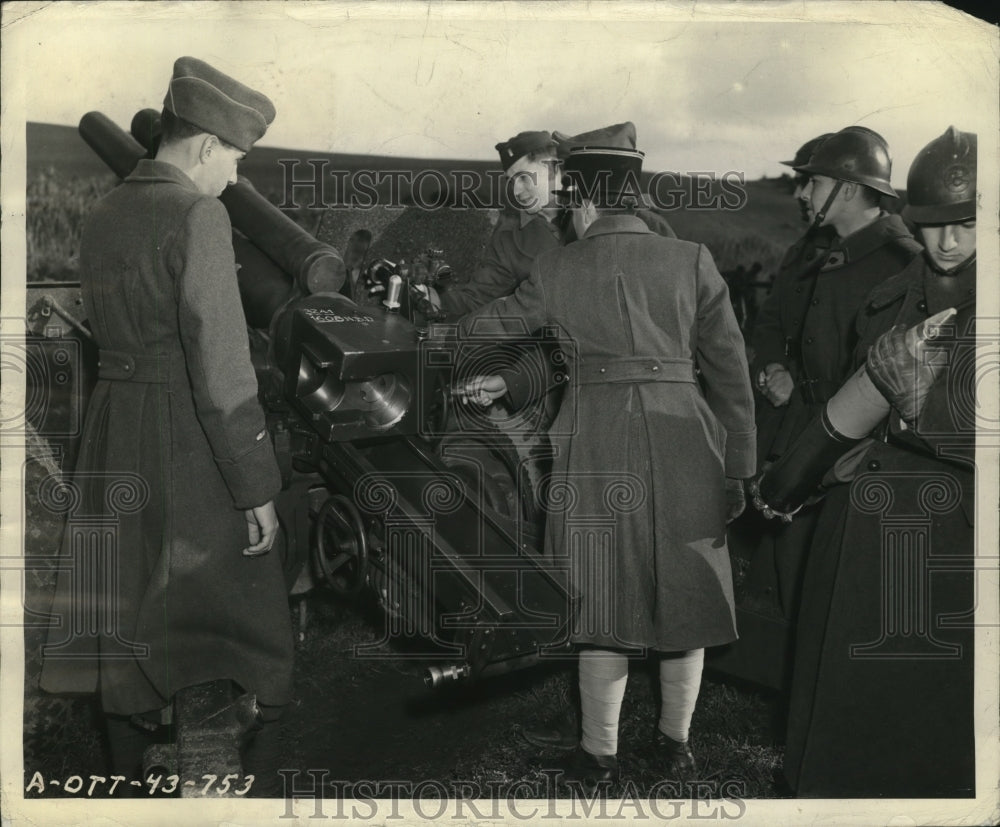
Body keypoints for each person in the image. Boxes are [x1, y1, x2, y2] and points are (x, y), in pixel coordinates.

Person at [455, 145, 756, 783]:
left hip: (593, 441)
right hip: (686, 441)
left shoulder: (558, 266)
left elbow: (506, 328)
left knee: (598, 600)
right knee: (688, 593)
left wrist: (429, 333)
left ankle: (598, 754)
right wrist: (740, 466)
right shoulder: (691, 258)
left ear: (584, 200)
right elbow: (730, 370)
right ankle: (675, 746)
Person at [39, 57, 294, 794]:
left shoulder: (108, 209)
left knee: (127, 608)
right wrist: (254, 486)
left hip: (114, 430)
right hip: (186, 438)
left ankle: (126, 783)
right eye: (236, 158)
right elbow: (220, 364)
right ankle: (212, 783)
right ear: (209, 146)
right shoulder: (198, 213)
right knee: (222, 621)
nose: (235, 177)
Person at [777, 126, 978, 797]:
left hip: (958, 538)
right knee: (844, 717)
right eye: (932, 225)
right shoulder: (889, 295)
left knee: (931, 728)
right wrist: (799, 477)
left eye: (967, 224)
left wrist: (932, 409)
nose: (947, 243)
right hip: (864, 526)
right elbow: (847, 404)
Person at [732, 128, 922, 691]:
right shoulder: (807, 251)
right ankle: (763, 669)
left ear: (848, 187)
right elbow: (768, 325)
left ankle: (807, 683)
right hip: (784, 421)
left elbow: (885, 371)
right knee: (768, 552)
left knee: (811, 565)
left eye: (811, 182)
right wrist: (770, 367)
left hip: (843, 443)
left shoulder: (901, 261)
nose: (801, 193)